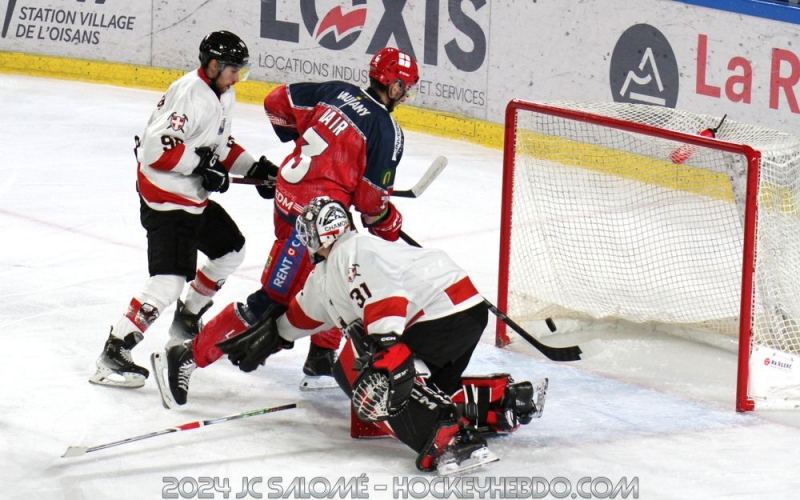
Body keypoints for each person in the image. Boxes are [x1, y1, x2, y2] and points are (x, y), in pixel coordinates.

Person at [162, 197, 547, 475]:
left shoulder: (353, 250)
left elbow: (384, 293)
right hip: (461, 314)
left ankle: (451, 437)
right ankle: (499, 402)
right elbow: (300, 316)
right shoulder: (327, 274)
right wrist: (272, 337)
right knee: (398, 393)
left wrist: (386, 348)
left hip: (438, 313)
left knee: (361, 370)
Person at [150, 47, 420, 394]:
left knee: (340, 272)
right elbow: (371, 206)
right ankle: (186, 356)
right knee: (272, 301)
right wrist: (389, 221)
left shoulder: (337, 90)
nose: (405, 95)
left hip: (289, 197)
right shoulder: (387, 129)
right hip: (311, 220)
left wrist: (308, 146)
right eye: (405, 88)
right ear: (395, 87)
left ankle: (321, 357)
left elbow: (276, 102)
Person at [89, 30, 279, 389]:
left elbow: (220, 145)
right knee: (169, 280)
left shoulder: (224, 94)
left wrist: (256, 169)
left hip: (192, 197)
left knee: (231, 250)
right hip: (166, 199)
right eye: (233, 70)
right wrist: (201, 167)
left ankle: (188, 316)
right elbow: (154, 151)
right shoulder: (189, 93)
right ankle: (114, 351)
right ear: (213, 65)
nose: (237, 78)